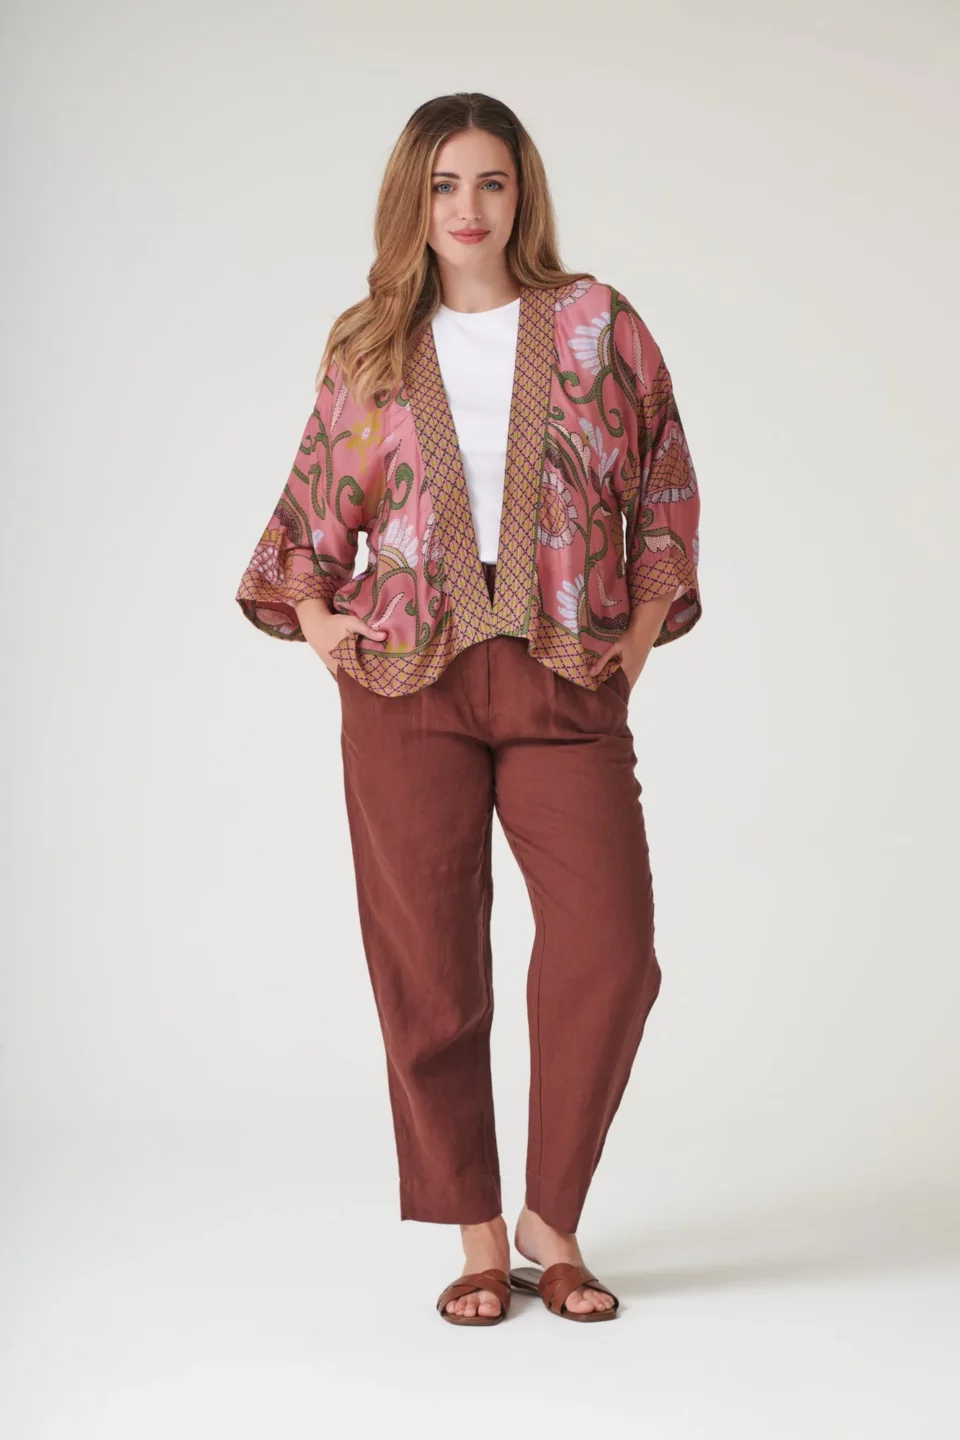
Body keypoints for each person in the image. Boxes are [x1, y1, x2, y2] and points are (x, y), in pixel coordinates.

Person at [235, 92, 701, 1326]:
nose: (468, 208)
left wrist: (634, 643)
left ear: (522, 193)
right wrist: (317, 619)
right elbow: (315, 504)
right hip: (405, 682)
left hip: (565, 677)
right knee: (430, 971)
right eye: (445, 184)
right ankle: (480, 1235)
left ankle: (555, 1219)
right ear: (414, 198)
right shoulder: (370, 343)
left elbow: (664, 486)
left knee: (612, 948)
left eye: (491, 181)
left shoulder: (598, 324)